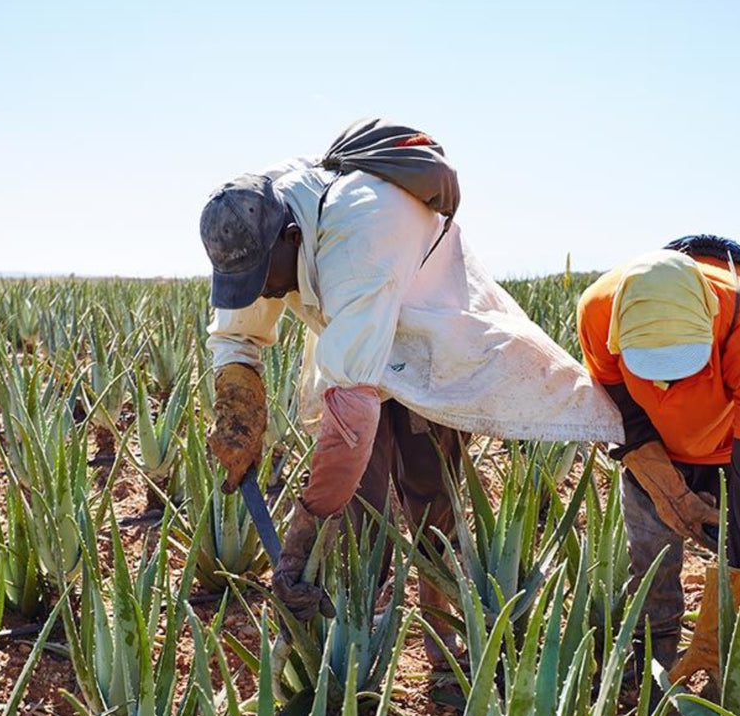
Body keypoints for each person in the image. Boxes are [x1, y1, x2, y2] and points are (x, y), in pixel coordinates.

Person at [198, 135, 622, 664]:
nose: (262, 293)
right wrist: (239, 418)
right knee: (358, 509)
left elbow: (351, 411)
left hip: (428, 340)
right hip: (357, 338)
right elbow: (236, 337)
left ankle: (443, 644)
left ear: (290, 237)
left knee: (429, 497)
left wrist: (304, 525)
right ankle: (345, 646)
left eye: (264, 280)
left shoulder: (360, 239)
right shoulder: (255, 217)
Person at [577, 246, 740, 716]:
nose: (667, 385)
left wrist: (733, 592)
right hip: (655, 448)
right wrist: (666, 485)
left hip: (737, 446)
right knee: (651, 560)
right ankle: (656, 688)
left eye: (681, 367)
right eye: (653, 368)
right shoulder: (597, 311)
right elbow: (624, 413)